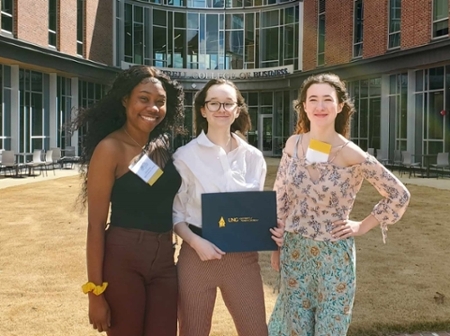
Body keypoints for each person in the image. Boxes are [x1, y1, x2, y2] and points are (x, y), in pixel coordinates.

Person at [268, 73, 411, 336]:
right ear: (304, 106)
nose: (319, 106)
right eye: (313, 99)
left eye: (327, 99)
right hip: (294, 252)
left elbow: (398, 194)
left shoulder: (351, 153)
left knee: (329, 329)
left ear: (340, 106)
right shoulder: (293, 144)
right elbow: (281, 197)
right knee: (292, 329)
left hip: (334, 257)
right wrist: (275, 247)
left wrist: (363, 226)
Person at [74, 65, 184, 336]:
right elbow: (96, 226)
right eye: (143, 99)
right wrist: (95, 293)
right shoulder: (110, 149)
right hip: (123, 261)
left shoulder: (161, 147)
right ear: (126, 100)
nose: (153, 107)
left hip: (164, 263)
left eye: (160, 102)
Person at [172, 78, 284, 336]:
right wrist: (195, 243)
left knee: (255, 331)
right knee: (193, 331)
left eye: (228, 103)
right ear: (203, 110)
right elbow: (176, 215)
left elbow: (254, 211)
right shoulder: (184, 157)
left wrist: (272, 228)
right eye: (214, 103)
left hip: (242, 260)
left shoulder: (253, 158)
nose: (221, 109)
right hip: (196, 256)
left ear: (237, 110)